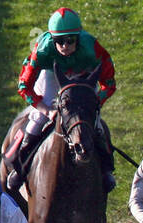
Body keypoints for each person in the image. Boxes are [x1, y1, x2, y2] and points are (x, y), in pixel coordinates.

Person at [8, 7, 117, 193]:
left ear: (78, 37)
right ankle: (21, 167)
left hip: (83, 78)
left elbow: (109, 83)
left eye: (70, 40)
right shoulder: (42, 50)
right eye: (59, 41)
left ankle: (106, 170)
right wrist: (44, 109)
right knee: (37, 121)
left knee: (95, 124)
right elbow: (24, 86)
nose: (64, 46)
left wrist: (93, 103)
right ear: (52, 39)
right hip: (52, 75)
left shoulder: (92, 48)